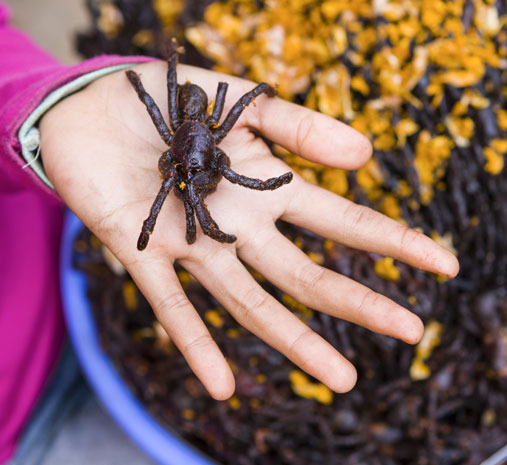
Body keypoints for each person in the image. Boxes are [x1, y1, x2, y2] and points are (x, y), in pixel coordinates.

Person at [0, 1, 459, 462]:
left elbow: (233, 139)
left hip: (38, 260)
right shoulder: (177, 156)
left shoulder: (210, 142)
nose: (189, 183)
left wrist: (52, 107)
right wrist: (151, 86)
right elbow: (174, 167)